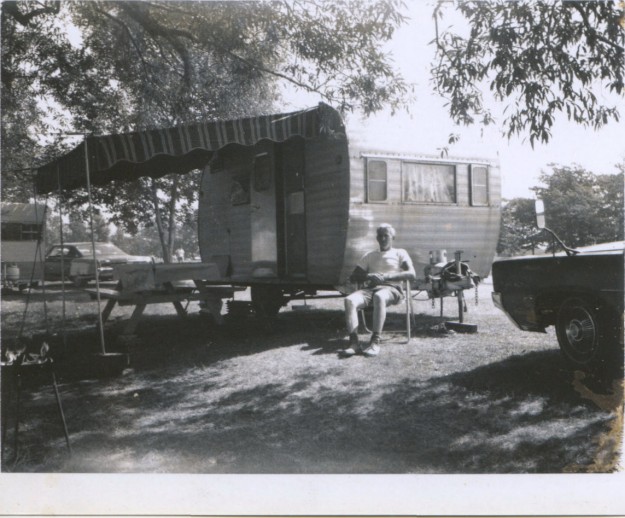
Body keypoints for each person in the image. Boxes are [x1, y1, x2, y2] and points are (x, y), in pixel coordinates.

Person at [340, 223, 416, 358]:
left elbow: (411, 274)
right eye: (380, 236)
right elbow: (353, 277)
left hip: (392, 289)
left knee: (380, 296)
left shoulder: (399, 253)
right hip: (370, 289)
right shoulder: (370, 255)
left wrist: (386, 276)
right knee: (349, 300)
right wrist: (369, 275)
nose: (382, 239)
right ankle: (354, 343)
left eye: (386, 236)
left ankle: (375, 342)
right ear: (376, 238)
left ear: (393, 237)